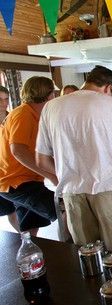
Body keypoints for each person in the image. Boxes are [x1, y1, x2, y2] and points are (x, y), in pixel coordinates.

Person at [36, 65, 112, 252]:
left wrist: (68, 170)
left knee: (87, 255)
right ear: (109, 88)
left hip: (71, 190)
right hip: (107, 186)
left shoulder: (51, 107)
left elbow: (41, 161)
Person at [0, 77, 58, 236]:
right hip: (16, 181)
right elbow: (18, 150)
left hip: (25, 179)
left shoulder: (34, 115)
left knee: (31, 226)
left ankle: (31, 254)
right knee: (63, 209)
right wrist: (50, 175)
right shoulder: (23, 113)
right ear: (48, 95)